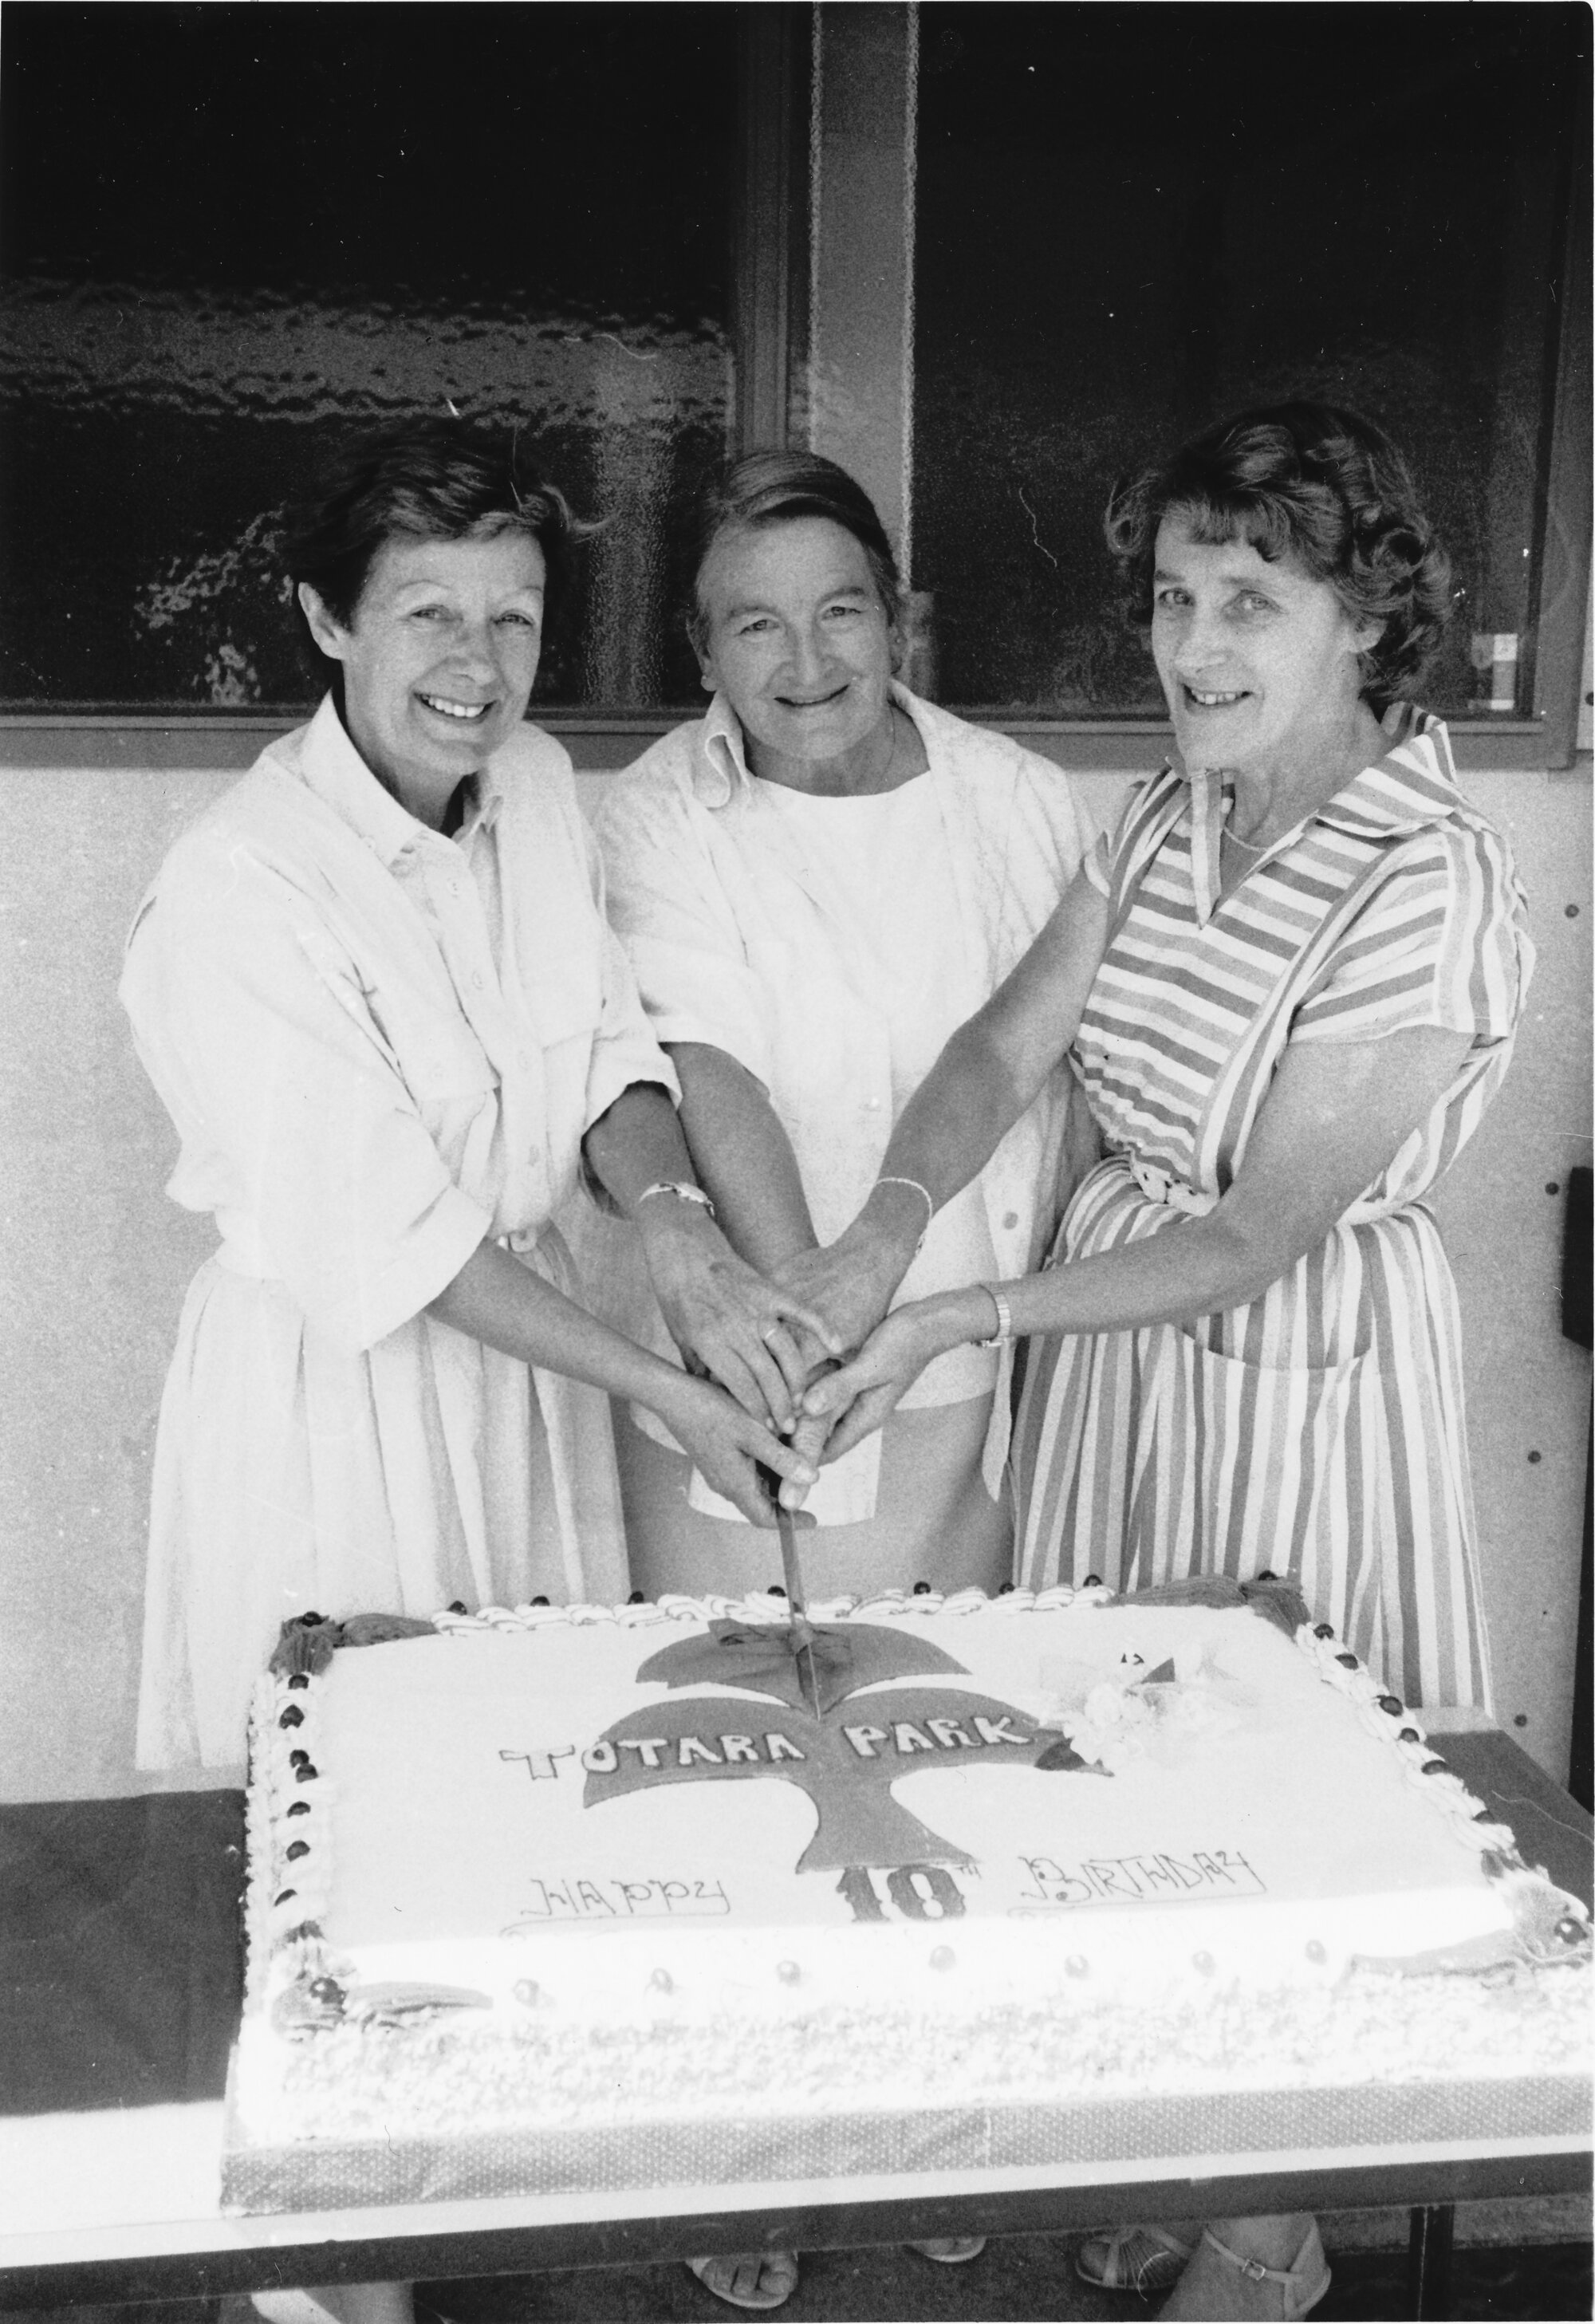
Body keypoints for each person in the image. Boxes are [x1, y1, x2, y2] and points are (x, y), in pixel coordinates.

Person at [794, 403, 1534, 2320]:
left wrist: (951, 1315)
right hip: (1122, 1369)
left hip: (1291, 1374)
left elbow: (1253, 1231)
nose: (1192, 644)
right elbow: (1003, 1043)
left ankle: (1266, 2242)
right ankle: (1198, 2167)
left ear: (1366, 620)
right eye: (1173, 596)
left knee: (1275, 1818)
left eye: (1249, 602)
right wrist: (883, 1227)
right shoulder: (1163, 811)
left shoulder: (1425, 873)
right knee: (1119, 1797)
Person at [122, 420, 826, 1783]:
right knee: (369, 1804)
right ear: (328, 619)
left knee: (543, 1787)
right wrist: (666, 1386)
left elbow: (607, 1054)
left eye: (514, 618)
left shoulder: (538, 785)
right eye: (429, 614)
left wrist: (681, 1235)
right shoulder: (238, 889)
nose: (480, 665)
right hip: (342, 1406)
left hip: (533, 1378)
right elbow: (401, 1243)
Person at [593, 450, 1095, 1618]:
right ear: (703, 651)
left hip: (972, 1368)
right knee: (736, 1692)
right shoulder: (658, 811)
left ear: (897, 620)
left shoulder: (1020, 796)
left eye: (840, 613)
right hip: (755, 1379)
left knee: (958, 1693)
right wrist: (810, 1346)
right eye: (757, 626)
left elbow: (1053, 1071)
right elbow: (707, 1071)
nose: (808, 663)